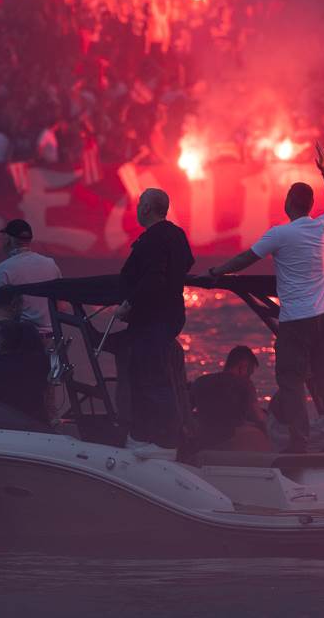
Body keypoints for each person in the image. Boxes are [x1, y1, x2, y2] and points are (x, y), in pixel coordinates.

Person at [204, 142, 324, 453]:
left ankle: (300, 442)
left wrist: (218, 272)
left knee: (292, 380)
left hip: (297, 320)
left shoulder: (280, 234)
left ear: (288, 205)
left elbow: (245, 259)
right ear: (310, 205)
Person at [115, 188, 195, 454]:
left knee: (152, 378)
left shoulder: (151, 241)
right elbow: (188, 263)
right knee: (154, 375)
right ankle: (154, 437)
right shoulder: (177, 235)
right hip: (171, 314)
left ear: (148, 208)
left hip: (151, 318)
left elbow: (152, 278)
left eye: (139, 203)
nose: (137, 208)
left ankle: (163, 441)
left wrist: (129, 303)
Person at [0, 218, 61, 334]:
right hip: (53, 338)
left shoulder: (3, 269)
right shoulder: (51, 264)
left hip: (22, 340)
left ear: (9, 240)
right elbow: (61, 306)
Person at [189, 345, 269, 451]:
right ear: (242, 367)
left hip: (204, 438)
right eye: (249, 373)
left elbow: (186, 410)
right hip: (229, 440)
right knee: (261, 430)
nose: (249, 377)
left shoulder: (200, 382)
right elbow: (258, 417)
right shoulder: (244, 384)